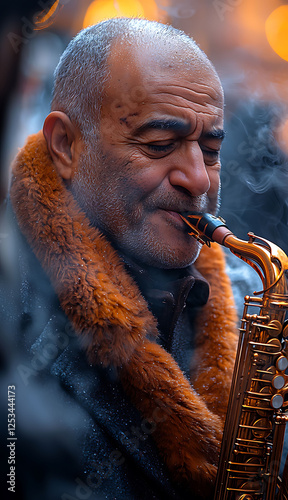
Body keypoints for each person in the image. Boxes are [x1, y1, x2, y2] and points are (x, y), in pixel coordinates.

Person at [1, 17, 239, 500]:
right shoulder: (9, 307)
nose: (198, 180)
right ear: (66, 145)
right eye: (158, 146)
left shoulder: (248, 299)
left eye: (211, 150)